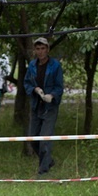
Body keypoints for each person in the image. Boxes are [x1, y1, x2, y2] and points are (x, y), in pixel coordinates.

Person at [23, 36, 64, 175]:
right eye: (38, 49)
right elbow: (27, 83)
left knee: (45, 140)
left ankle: (43, 172)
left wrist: (51, 96)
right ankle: (48, 161)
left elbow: (59, 87)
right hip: (36, 105)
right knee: (33, 138)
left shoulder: (55, 66)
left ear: (48, 49)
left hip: (50, 107)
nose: (40, 51)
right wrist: (35, 90)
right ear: (35, 50)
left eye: (43, 48)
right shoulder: (32, 65)